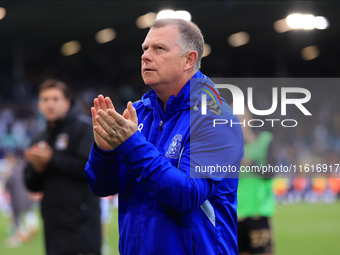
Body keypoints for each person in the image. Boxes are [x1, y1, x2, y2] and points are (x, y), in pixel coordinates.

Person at [85, 18, 244, 255]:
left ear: (189, 60)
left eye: (159, 49)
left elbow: (187, 194)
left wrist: (131, 145)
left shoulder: (214, 118)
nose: (146, 56)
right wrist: (105, 152)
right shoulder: (138, 112)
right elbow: (101, 186)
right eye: (145, 49)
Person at [24, 79, 101, 255]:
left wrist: (52, 160)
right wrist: (38, 167)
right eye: (45, 99)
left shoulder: (84, 128)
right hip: (53, 229)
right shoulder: (40, 138)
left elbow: (90, 169)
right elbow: (30, 184)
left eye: (55, 99)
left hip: (82, 228)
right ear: (38, 105)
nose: (50, 104)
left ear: (67, 103)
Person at [236, 107, 275, 255]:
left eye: (241, 116)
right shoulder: (227, 148)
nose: (238, 121)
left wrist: (249, 162)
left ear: (250, 119)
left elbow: (271, 173)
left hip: (257, 213)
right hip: (235, 215)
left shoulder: (265, 141)